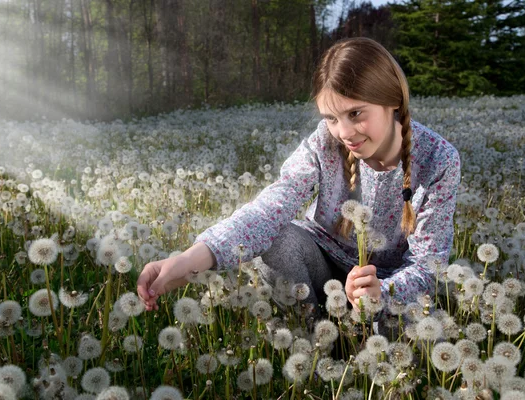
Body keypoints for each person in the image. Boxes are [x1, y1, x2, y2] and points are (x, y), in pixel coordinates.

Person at [137, 37, 460, 318]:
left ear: (392, 101)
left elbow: (426, 266)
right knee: (277, 237)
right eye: (332, 118)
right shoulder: (325, 141)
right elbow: (270, 208)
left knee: (408, 332)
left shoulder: (438, 159)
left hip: (385, 282)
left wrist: (381, 293)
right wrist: (192, 259)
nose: (344, 132)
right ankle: (317, 343)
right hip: (319, 263)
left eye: (355, 114)